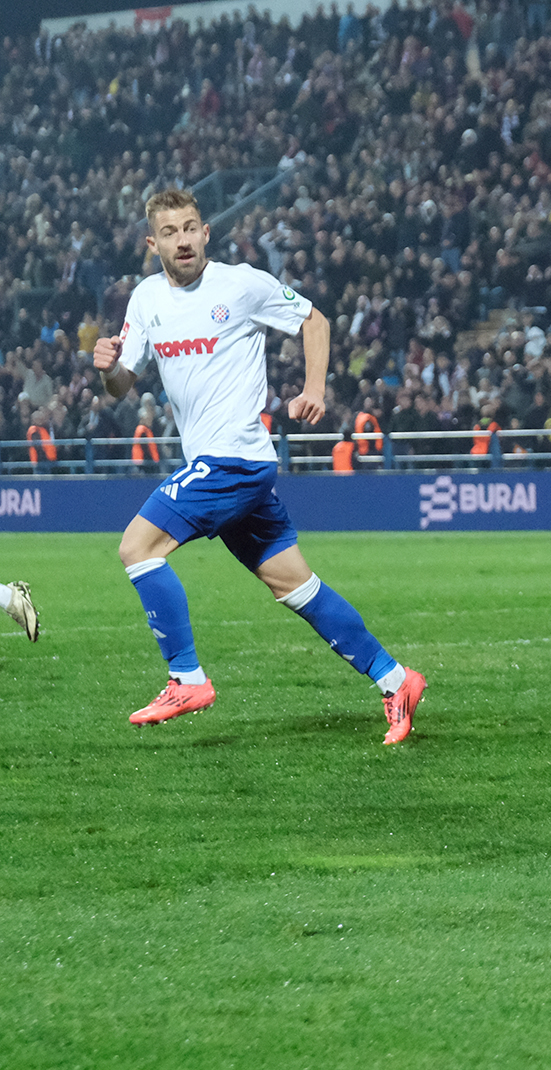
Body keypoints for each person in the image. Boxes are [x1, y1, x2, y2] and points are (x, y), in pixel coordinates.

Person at [91, 189, 425, 743]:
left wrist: (313, 387)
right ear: (153, 243)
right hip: (219, 466)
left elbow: (314, 321)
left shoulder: (241, 284)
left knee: (137, 547)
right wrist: (107, 368)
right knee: (295, 585)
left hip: (236, 459)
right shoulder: (146, 299)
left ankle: (186, 678)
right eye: (170, 232)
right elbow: (121, 382)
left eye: (192, 227)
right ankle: (397, 680)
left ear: (205, 233)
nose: (184, 240)